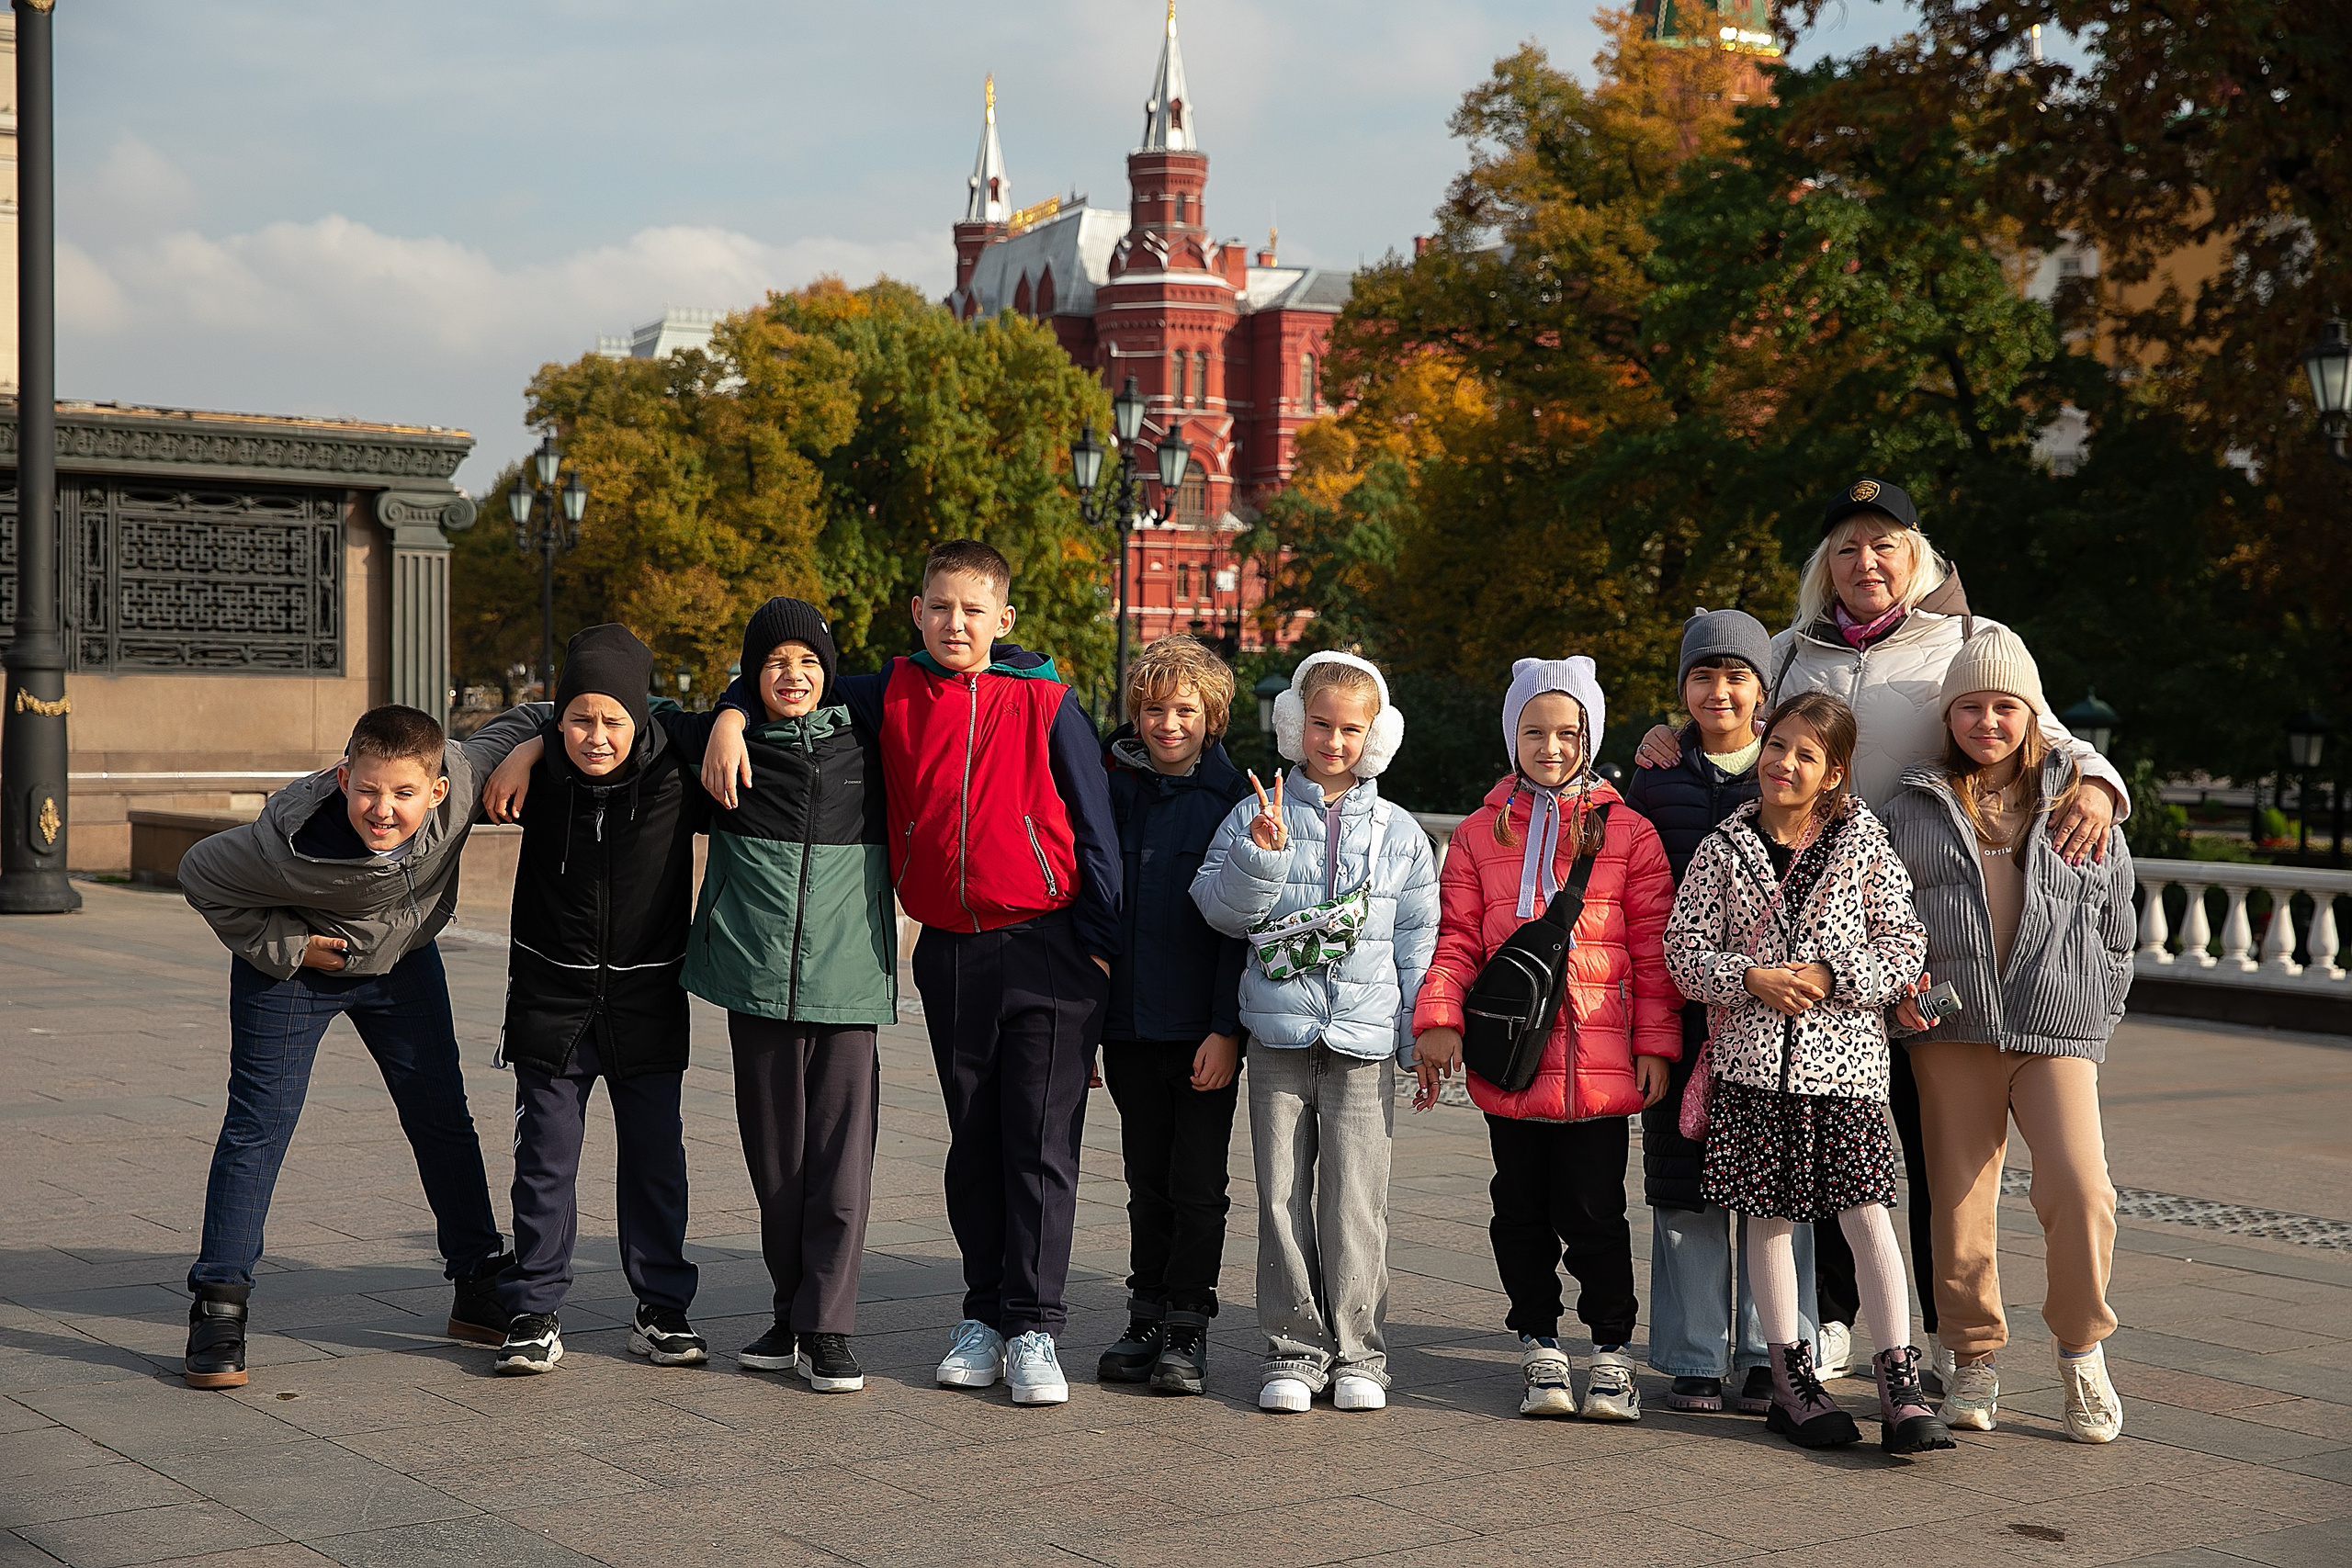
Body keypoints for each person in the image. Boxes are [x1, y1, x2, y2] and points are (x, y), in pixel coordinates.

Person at [1634, 477, 2132, 1392]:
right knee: (1820, 1128)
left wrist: (2099, 786)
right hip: (1807, 933)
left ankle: (1947, 1338)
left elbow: (2045, 734)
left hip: (1924, 941)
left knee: (1928, 1150)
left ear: (1919, 557)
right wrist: (1667, 733)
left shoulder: (1970, 642)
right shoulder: (1789, 651)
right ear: (1825, 566)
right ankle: (1825, 1319)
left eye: (1884, 546)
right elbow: (1738, 717)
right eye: (1848, 549)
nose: (1866, 564)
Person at [703, 542, 1118, 1407]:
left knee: (1039, 1144)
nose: (954, 623)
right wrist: (731, 716)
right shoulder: (888, 691)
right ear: (917, 611)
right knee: (974, 1141)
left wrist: (1104, 953)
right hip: (952, 950)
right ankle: (982, 1313)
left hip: (1049, 948)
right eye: (939, 607)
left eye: (972, 610)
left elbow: (1096, 824)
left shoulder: (1046, 700)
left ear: (1004, 619)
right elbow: (789, 680)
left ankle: (1034, 1321)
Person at [175, 701, 540, 1388]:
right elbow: (199, 871)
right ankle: (219, 1301)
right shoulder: (283, 843)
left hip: (401, 962)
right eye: (368, 788)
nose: (383, 808)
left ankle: (477, 1281)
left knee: (442, 1118)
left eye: (404, 793)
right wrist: (289, 946)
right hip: (298, 968)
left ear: (436, 790)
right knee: (259, 1124)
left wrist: (529, 752)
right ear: (344, 778)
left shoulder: (460, 778)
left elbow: (553, 711)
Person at [1664, 692, 1953, 1455]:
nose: (1784, 763)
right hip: (1754, 1069)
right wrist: (1749, 976)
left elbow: (1904, 946)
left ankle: (1900, 1384)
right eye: (1778, 745)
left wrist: (1829, 973)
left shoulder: (1864, 843)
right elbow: (1684, 953)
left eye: (1805, 754)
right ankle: (1791, 1385)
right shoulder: (1722, 849)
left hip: (1848, 1071)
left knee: (1866, 1216)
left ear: (1834, 772)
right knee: (1770, 1217)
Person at [1879, 627, 2132, 1443]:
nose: (1988, 721)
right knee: (1957, 1206)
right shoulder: (1912, 802)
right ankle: (1972, 1354)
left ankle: (2081, 1349)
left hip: (2056, 1026)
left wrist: (2095, 1007)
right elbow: (1884, 918)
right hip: (1951, 1029)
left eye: (2005, 706)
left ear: (2031, 713)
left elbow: (2118, 924)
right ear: (1949, 714)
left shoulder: (2079, 799)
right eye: (1971, 706)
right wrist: (1900, 992)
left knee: (2082, 1189)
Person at [1411, 657, 1679, 1421]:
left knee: (1597, 1215)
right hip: (1511, 1063)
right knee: (1518, 1212)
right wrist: (1438, 1018)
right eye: (1535, 730)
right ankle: (1538, 1343)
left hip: (1600, 1066)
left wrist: (1655, 1042)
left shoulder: (1630, 833)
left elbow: (1654, 951)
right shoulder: (1473, 835)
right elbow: (1456, 939)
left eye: (1568, 731)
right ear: (1511, 735)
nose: (1551, 746)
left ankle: (1611, 1352)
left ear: (1591, 735)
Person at [1193, 651, 1440, 1415]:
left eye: (1351, 728)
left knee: (1357, 1201)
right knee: (1280, 1197)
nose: (1334, 741)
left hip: (1363, 1043)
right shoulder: (1252, 809)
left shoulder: (1400, 831)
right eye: (1321, 724)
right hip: (1276, 1035)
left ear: (1378, 736)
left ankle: (1360, 1350)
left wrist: (1415, 1039)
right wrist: (1260, 857)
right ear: (1296, 726)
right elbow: (1217, 909)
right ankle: (1295, 1349)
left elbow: (1418, 942)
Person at [471, 625, 707, 1376]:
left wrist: (539, 738)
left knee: (655, 1164)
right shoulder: (541, 776)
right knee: (543, 1161)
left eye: (614, 719)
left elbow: (731, 717)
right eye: (579, 719)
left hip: (648, 996)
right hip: (551, 997)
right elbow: (505, 730)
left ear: (640, 717)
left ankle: (662, 1310)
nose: (596, 735)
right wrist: (533, 744)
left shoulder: (675, 772)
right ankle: (534, 1310)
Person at [678, 597, 896, 1395]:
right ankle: (790, 1312)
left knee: (840, 1164)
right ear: (749, 673)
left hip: (846, 983)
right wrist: (730, 720)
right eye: (774, 663)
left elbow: (963, 678)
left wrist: (731, 710)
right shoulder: (721, 749)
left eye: (808, 661)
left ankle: (829, 1326)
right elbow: (611, 721)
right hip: (756, 980)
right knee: (778, 1165)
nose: (792, 675)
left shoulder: (868, 741)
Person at [1625, 610, 1828, 1415]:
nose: (1721, 691)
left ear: (1763, 689)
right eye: (1703, 676)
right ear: (1683, 688)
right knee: (1684, 1184)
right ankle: (1693, 1353)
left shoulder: (1787, 770)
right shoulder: (1658, 773)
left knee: (1776, 1183)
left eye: (1737, 676)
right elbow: (1638, 893)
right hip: (1680, 1009)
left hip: (1776, 1020)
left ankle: (1770, 1346)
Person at [1093, 635, 1253, 1396]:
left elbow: (1242, 929)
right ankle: (1146, 1312)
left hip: (1201, 1032)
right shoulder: (1111, 789)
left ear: (1211, 716)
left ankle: (1188, 1321)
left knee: (1197, 1185)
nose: (1167, 723)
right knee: (1144, 1180)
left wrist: (1227, 1028)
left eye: (1184, 709)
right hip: (1126, 1024)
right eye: (1153, 708)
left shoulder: (1235, 802)